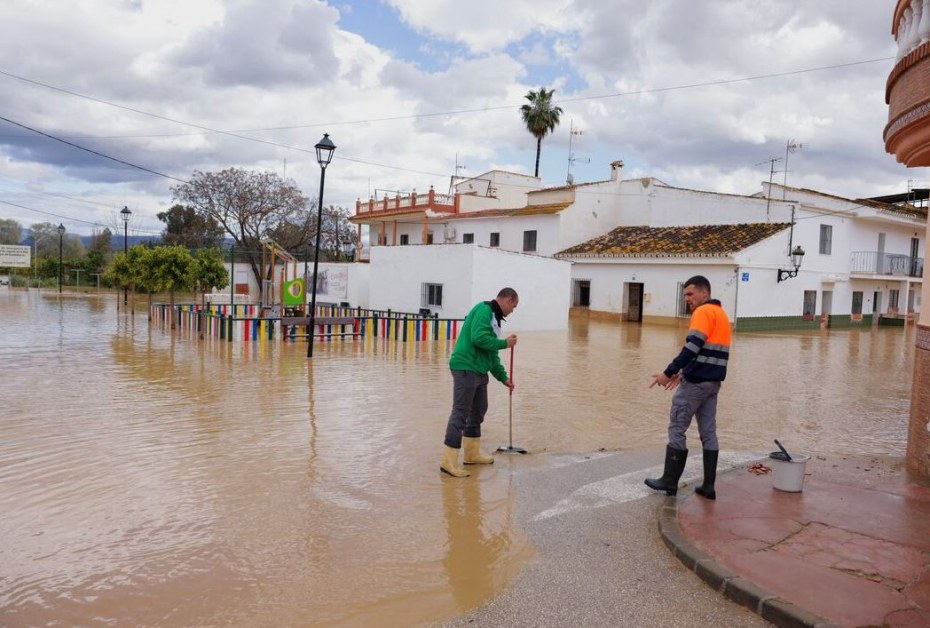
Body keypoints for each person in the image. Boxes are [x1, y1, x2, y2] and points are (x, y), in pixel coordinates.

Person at [645, 275, 731, 499]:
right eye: (685, 295)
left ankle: (669, 481)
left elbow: (692, 347)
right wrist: (684, 372)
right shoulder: (721, 314)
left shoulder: (702, 312)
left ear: (705, 293)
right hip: (713, 384)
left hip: (695, 385)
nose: (687, 299)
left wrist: (669, 372)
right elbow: (708, 353)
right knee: (709, 433)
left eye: (690, 294)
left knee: (677, 427)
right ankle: (708, 487)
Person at [441, 288, 519, 477]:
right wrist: (504, 344)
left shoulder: (495, 318)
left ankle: (471, 454)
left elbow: (490, 354)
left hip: (479, 369)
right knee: (461, 413)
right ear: (508, 300)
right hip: (466, 366)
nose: (513, 310)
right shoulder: (484, 310)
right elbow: (479, 339)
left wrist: (504, 378)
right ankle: (448, 462)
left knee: (478, 410)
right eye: (514, 306)